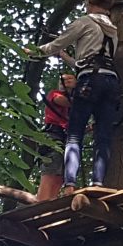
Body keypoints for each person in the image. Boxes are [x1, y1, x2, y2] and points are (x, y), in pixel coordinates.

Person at [28, 0, 120, 194]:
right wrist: (66, 58)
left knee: (74, 135)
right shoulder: (113, 30)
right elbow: (88, 61)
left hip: (90, 81)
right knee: (103, 136)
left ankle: (70, 184)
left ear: (88, 2)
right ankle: (98, 183)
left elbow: (58, 43)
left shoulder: (85, 22)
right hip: (111, 81)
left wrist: (35, 52)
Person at [36, 72, 76, 201]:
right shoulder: (54, 94)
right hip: (52, 136)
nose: (64, 83)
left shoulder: (71, 108)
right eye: (62, 81)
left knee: (60, 174)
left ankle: (50, 201)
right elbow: (63, 101)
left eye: (69, 79)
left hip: (63, 138)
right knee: (51, 168)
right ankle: (42, 202)